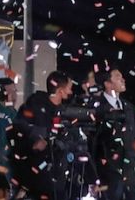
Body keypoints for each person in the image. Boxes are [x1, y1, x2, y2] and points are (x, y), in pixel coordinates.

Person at [14, 71, 89, 200]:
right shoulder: (35, 105)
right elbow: (19, 128)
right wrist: (39, 138)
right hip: (36, 178)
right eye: (69, 89)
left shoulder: (66, 113)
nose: (71, 93)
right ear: (60, 90)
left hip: (60, 178)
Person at [92, 67, 135, 200]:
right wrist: (93, 178)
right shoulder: (97, 108)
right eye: (117, 77)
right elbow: (93, 145)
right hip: (107, 175)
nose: (123, 79)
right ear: (107, 83)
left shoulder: (129, 108)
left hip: (130, 174)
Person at [0, 77, 20, 195]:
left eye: (15, 91)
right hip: (6, 176)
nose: (14, 96)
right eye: (10, 92)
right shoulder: (12, 115)